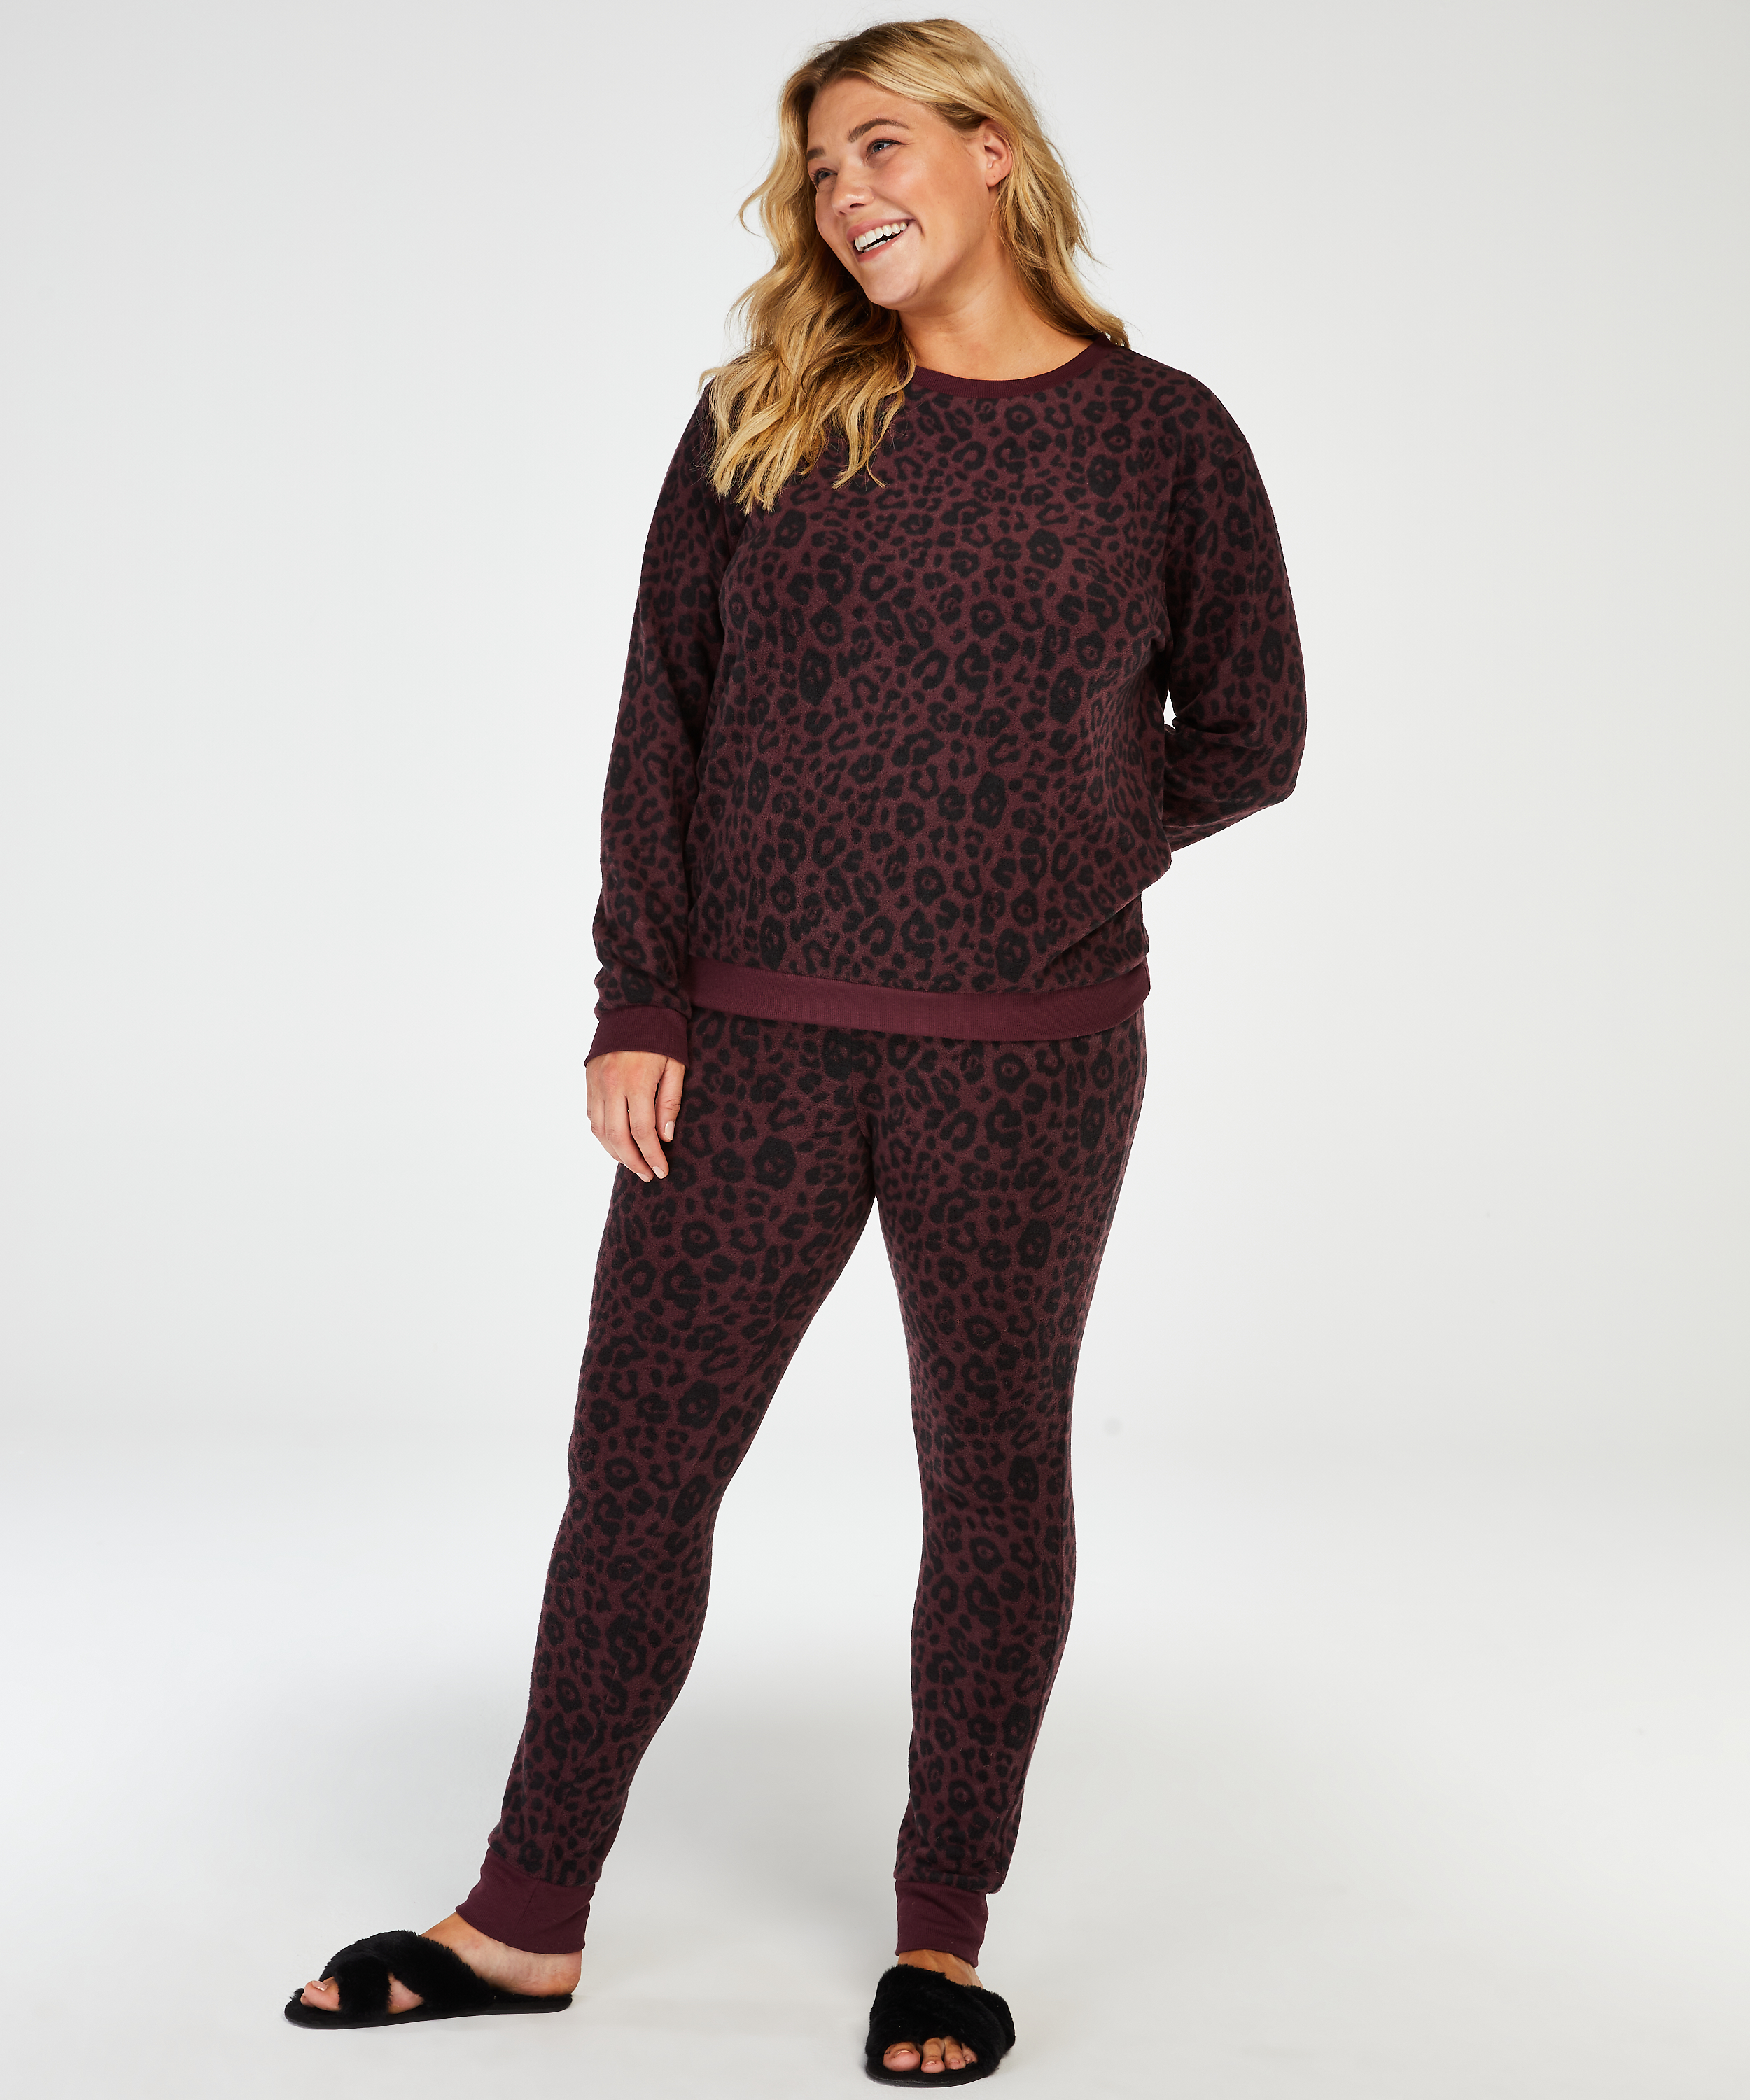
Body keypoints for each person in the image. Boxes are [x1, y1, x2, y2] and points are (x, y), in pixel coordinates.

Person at [285, 15, 1305, 2081]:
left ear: (992, 152)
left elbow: (1253, 728)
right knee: (638, 1470)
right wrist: (636, 999)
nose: (847, 195)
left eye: (882, 147)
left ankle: (943, 1937)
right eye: (821, 169)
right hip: (745, 1042)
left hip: (1027, 1052)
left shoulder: (1161, 435)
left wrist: (1054, 844)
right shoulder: (766, 415)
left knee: (993, 1474)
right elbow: (660, 714)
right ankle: (522, 1919)